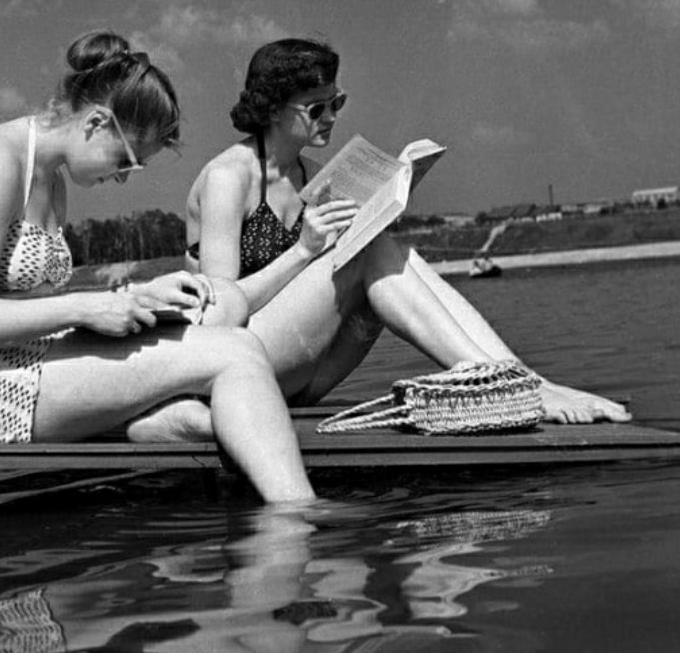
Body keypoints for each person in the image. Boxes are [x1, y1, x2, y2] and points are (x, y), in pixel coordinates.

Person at [0, 30, 315, 503]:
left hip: (31, 357)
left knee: (221, 302)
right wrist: (91, 307)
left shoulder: (50, 177)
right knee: (237, 353)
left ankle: (162, 420)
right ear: (96, 123)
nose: (123, 177)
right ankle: (299, 517)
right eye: (126, 160)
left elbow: (27, 304)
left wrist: (137, 298)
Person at [180, 37, 630, 425]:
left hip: (299, 373)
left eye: (337, 103)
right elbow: (219, 319)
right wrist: (302, 251)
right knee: (372, 255)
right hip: (235, 373)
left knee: (385, 249)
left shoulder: (314, 177)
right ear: (273, 109)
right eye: (317, 108)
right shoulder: (228, 178)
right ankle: (509, 385)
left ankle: (524, 379)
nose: (331, 118)